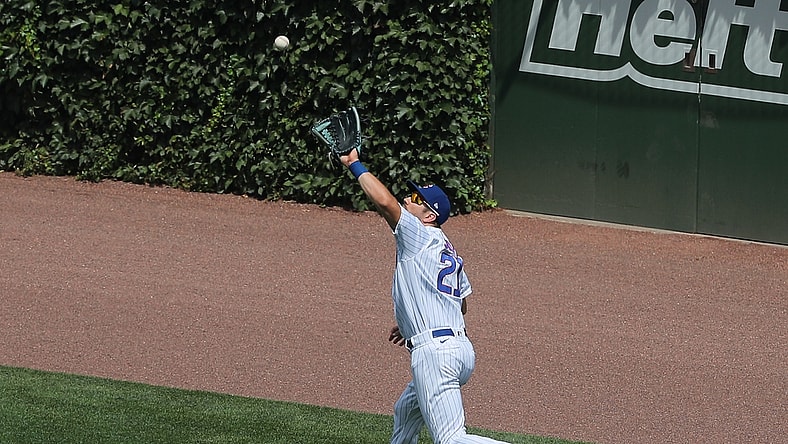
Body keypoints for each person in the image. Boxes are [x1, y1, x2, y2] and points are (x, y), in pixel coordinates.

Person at [339, 148, 508, 444]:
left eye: (417, 200)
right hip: (458, 349)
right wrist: (413, 322)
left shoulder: (419, 234)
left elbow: (384, 202)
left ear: (429, 215)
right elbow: (462, 302)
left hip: (436, 354)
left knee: (451, 440)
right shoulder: (447, 248)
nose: (409, 199)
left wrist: (355, 164)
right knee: (406, 410)